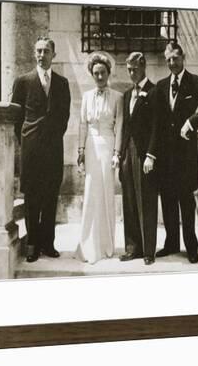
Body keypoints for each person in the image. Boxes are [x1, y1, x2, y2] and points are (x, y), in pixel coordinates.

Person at [156, 40, 198, 263]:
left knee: (185, 201)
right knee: (168, 201)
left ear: (183, 58)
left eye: (175, 58)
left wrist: (191, 121)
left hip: (185, 156)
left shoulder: (195, 82)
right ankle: (171, 242)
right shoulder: (161, 85)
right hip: (165, 157)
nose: (172, 63)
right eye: (168, 60)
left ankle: (191, 247)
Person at [11, 37, 71, 263]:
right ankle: (32, 245)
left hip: (53, 149)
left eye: (46, 50)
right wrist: (27, 140)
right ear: (34, 53)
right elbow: (16, 118)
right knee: (32, 198)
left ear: (53, 54)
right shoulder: (23, 81)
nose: (41, 54)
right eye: (38, 50)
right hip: (31, 150)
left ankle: (48, 243)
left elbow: (64, 116)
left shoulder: (62, 83)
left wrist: (53, 137)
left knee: (50, 197)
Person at [75, 53, 123, 264]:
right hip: (91, 148)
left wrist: (117, 153)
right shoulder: (86, 97)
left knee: (106, 193)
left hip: (108, 145)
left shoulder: (117, 97)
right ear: (91, 75)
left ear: (108, 73)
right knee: (91, 193)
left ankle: (106, 245)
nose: (100, 77)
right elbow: (82, 125)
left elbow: (120, 125)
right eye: (96, 73)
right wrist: (80, 150)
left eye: (103, 73)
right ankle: (88, 244)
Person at [118, 52, 160, 265]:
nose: (131, 73)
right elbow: (125, 126)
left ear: (143, 67)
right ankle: (132, 247)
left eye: (134, 69)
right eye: (129, 70)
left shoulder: (154, 92)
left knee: (146, 201)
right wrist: (120, 154)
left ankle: (148, 251)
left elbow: (156, 127)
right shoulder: (126, 95)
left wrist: (150, 155)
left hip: (145, 155)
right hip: (128, 153)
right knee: (129, 201)